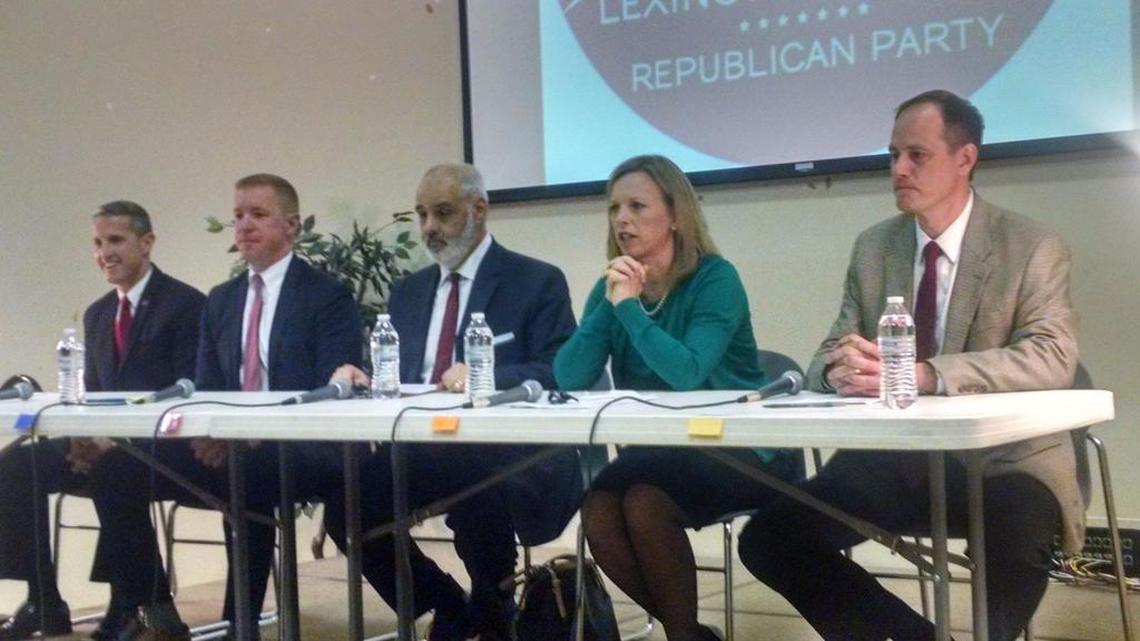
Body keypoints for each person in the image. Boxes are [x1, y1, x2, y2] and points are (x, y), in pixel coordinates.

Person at [737, 90, 1081, 641]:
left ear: (965, 158)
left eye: (916, 155)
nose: (898, 169)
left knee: (1019, 531)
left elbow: (1053, 355)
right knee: (769, 538)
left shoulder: (1031, 245)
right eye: (892, 154)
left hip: (1002, 464)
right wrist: (839, 371)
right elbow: (827, 352)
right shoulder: (875, 248)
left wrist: (926, 374)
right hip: (895, 462)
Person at [88, 175, 361, 641]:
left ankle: (242, 624)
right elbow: (207, 386)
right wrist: (210, 430)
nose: (243, 226)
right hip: (231, 444)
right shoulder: (222, 299)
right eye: (237, 216)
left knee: (247, 469)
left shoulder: (325, 295)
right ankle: (154, 608)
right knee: (117, 466)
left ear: (291, 225)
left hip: (303, 448)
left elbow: (331, 390)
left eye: (257, 215)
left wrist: (247, 433)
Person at [553, 155, 803, 641]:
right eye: (614, 208)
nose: (621, 219)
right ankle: (687, 633)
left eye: (637, 206)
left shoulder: (715, 280)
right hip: (663, 449)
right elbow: (568, 376)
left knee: (646, 503)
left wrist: (628, 309)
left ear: (675, 215)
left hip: (741, 446)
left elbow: (686, 372)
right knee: (599, 508)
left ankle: (683, 637)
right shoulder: (617, 287)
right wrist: (612, 304)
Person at [327, 163, 578, 641]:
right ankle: (445, 602)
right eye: (422, 215)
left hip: (504, 447)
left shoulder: (535, 282)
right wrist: (365, 376)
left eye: (441, 213)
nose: (428, 228)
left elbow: (559, 369)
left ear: (478, 209)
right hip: (422, 446)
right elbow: (398, 375)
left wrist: (487, 376)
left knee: (479, 489)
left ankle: (493, 607)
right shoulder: (408, 292)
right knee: (347, 505)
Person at [0, 200, 205, 641]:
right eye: (97, 243)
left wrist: (114, 441)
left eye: (115, 240)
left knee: (114, 470)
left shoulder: (185, 305)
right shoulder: (96, 315)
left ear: (146, 243)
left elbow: (193, 390)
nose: (104, 253)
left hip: (166, 444)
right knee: (17, 462)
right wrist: (81, 438)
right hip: (109, 442)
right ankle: (43, 599)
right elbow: (90, 395)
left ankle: (144, 605)